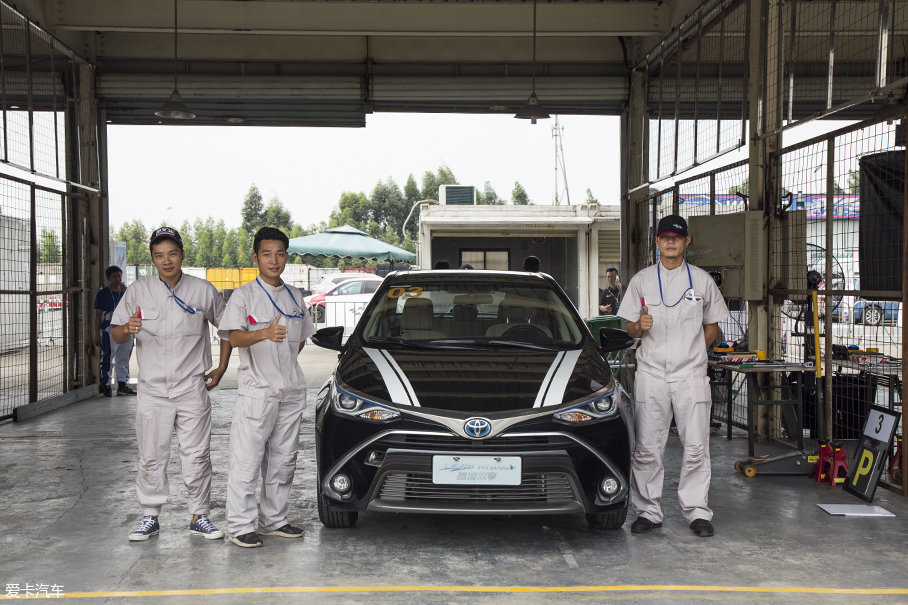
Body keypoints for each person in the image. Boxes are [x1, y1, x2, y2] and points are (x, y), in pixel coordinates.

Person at [110, 226, 233, 542]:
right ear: (152, 259)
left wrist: (221, 367)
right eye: (159, 255)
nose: (166, 261)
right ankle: (149, 516)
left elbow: (228, 329)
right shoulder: (138, 291)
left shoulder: (202, 291)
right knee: (151, 455)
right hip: (152, 390)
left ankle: (199, 516)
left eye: (172, 254)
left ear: (182, 255)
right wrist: (127, 327)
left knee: (197, 454)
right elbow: (117, 333)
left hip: (191, 387)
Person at [617, 215, 728, 538]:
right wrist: (639, 327)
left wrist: (693, 354)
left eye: (676, 238)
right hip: (651, 374)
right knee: (647, 447)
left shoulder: (702, 281)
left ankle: (697, 511)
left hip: (691, 376)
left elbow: (712, 326)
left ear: (686, 241)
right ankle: (648, 511)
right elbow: (629, 328)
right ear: (657, 241)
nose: (670, 242)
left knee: (696, 446)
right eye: (665, 237)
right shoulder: (642, 280)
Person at [219, 227, 316, 548]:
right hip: (257, 391)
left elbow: (301, 339)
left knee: (283, 460)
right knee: (247, 460)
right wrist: (263, 334)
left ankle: (273, 520)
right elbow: (233, 337)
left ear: (287, 256)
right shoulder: (244, 296)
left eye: (280, 253)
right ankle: (240, 526)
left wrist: (282, 363)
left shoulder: (295, 296)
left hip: (291, 390)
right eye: (266, 254)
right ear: (255, 257)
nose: (274, 260)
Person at [94, 265, 135, 396]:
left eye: (119, 276)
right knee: (108, 356)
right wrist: (96, 333)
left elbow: (133, 306)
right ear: (108, 278)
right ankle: (106, 385)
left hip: (126, 328)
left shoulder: (126, 292)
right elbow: (97, 314)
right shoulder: (102, 294)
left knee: (124, 356)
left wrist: (126, 292)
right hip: (109, 329)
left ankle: (122, 385)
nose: (117, 279)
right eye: (114, 277)